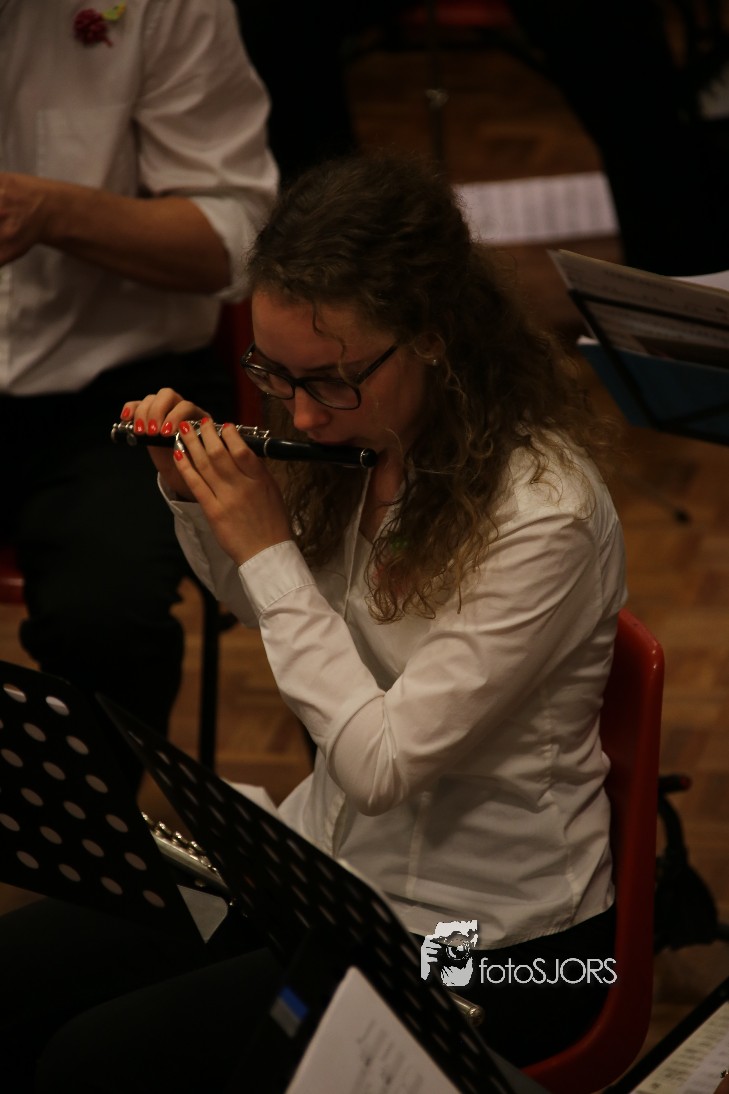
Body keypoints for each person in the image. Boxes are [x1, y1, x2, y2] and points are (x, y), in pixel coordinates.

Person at [0, 150, 626, 1090]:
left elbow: (378, 767)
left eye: (329, 379)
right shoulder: (373, 439)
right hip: (326, 878)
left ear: (432, 336)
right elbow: (273, 613)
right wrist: (195, 501)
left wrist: (266, 547)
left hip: (496, 947)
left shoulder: (543, 516)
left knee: (91, 1063)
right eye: (274, 374)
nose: (301, 414)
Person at [0, 0, 278, 761]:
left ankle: (80, 818)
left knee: (107, 619)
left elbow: (240, 239)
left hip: (120, 393)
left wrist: (51, 211)